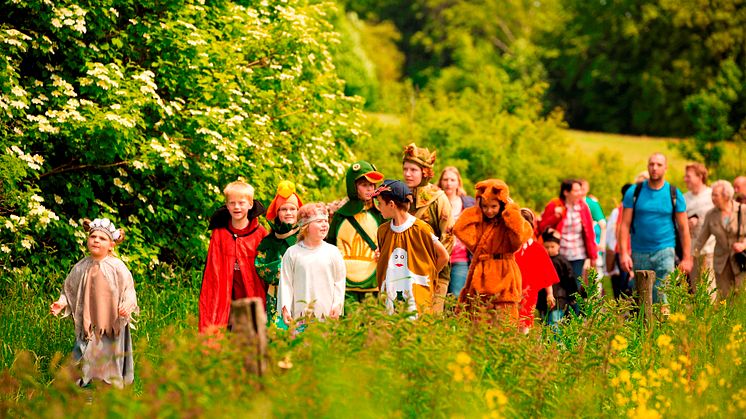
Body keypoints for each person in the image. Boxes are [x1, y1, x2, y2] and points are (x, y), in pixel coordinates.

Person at [50, 218, 138, 388]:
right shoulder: (81, 266)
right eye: (93, 237)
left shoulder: (117, 267)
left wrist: (127, 304)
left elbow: (129, 289)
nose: (96, 240)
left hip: (112, 321)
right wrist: (62, 302)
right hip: (89, 321)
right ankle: (83, 385)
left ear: (111, 245)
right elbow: (69, 288)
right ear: (87, 240)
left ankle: (108, 386)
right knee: (86, 352)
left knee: (109, 353)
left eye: (102, 238)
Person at [452, 179, 533, 326]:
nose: (489, 211)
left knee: (505, 324)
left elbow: (521, 235)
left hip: (505, 275)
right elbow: (459, 229)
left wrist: (511, 210)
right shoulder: (480, 223)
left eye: (494, 206)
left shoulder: (509, 222)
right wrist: (476, 209)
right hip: (482, 276)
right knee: (479, 324)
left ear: (502, 204)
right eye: (485, 206)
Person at [619, 153, 693, 305]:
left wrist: (687, 258)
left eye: (659, 165)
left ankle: (663, 327)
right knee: (641, 297)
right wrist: (624, 254)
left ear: (665, 168)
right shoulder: (634, 192)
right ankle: (644, 328)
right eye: (651, 164)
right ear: (647, 166)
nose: (654, 168)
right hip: (639, 252)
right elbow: (624, 224)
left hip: (665, 250)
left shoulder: (674, 193)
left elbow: (684, 228)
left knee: (663, 295)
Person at [199, 181, 268, 333]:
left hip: (250, 294)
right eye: (232, 203)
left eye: (241, 203)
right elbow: (213, 269)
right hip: (226, 295)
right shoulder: (220, 233)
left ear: (250, 204)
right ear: (227, 205)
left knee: (250, 333)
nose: (237, 207)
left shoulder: (260, 233)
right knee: (226, 332)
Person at [374, 179, 449, 316]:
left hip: (417, 296)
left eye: (380, 203)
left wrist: (428, 275)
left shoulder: (421, 229)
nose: (378, 208)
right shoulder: (383, 231)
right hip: (391, 294)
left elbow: (443, 256)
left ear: (391, 204)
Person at [402, 143, 454, 312]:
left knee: (429, 321)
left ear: (425, 172)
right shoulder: (400, 195)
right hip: (404, 270)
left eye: (413, 170)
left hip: (435, 272)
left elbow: (449, 236)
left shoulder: (439, 198)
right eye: (405, 169)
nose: (408, 174)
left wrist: (432, 268)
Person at [326, 161, 385, 302]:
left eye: (371, 185)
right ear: (353, 187)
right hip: (345, 284)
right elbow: (330, 246)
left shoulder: (381, 214)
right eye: (364, 185)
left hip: (373, 282)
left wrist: (383, 251)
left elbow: (388, 243)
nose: (369, 189)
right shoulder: (340, 216)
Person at [278, 203, 346, 323]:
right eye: (319, 221)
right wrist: (285, 308)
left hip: (327, 314)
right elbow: (286, 283)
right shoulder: (293, 253)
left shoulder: (333, 252)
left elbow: (339, 281)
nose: (325, 225)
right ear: (306, 226)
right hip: (300, 316)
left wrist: (337, 304)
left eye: (326, 221)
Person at [256, 180, 303, 323]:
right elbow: (261, 266)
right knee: (278, 339)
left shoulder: (306, 238)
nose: (288, 213)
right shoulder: (269, 241)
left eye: (292, 209)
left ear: (298, 212)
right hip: (276, 297)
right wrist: (286, 268)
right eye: (284, 209)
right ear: (277, 213)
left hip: (302, 295)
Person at [538, 179, 597, 295]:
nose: (580, 193)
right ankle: (559, 312)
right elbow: (542, 227)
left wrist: (593, 255)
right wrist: (555, 216)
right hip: (558, 253)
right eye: (576, 190)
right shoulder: (554, 205)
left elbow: (589, 232)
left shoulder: (583, 207)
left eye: (580, 190)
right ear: (566, 192)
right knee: (558, 286)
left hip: (578, 253)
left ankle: (575, 312)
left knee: (575, 286)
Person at [693, 180, 746, 300]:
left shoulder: (743, 210)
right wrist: (691, 257)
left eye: (715, 195)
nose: (712, 198)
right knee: (724, 298)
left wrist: (743, 245)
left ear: (726, 196)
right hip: (721, 263)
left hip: (741, 261)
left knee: (742, 297)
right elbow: (701, 239)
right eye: (712, 194)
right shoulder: (711, 215)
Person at [515, 208, 558, 334]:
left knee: (525, 320)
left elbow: (547, 272)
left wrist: (549, 294)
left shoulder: (537, 248)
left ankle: (523, 342)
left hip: (529, 291)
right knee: (509, 319)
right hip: (511, 289)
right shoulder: (510, 247)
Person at [438, 166, 476, 297]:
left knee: (456, 296)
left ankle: (454, 318)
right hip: (439, 256)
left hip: (460, 258)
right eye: (445, 179)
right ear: (441, 182)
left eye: (452, 180)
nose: (449, 183)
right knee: (438, 297)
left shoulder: (469, 203)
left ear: (458, 182)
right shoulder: (435, 202)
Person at [683, 163, 715, 297]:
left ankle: (715, 316)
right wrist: (687, 223)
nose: (685, 179)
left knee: (710, 288)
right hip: (693, 251)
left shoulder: (712, 195)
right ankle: (701, 317)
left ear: (700, 176)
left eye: (688, 176)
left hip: (711, 249)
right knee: (696, 290)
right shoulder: (684, 198)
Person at [536, 228, 578, 326]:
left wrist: (572, 295)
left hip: (559, 297)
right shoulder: (540, 260)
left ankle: (556, 341)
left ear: (558, 246)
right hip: (543, 297)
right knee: (544, 323)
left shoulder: (562, 262)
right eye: (546, 247)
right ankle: (547, 341)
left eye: (552, 246)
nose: (549, 249)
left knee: (555, 322)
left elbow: (569, 279)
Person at [605, 183, 633, 299]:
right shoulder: (619, 211)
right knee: (624, 282)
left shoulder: (618, 210)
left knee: (624, 281)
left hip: (624, 250)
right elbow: (615, 232)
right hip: (624, 250)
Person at [579, 179, 606, 280]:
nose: (581, 191)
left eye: (583, 188)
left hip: (593, 242)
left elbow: (603, 224)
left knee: (593, 273)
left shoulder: (591, 204)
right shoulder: (572, 204)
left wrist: (602, 243)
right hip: (579, 245)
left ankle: (595, 294)